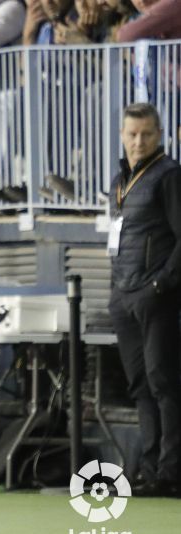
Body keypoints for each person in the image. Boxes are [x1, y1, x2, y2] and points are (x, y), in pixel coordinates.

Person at [107, 103, 181, 499]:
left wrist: (161, 286)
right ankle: (149, 468)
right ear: (122, 134)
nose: (139, 141)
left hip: (155, 297)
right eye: (133, 134)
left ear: (160, 135)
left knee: (164, 383)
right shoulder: (119, 180)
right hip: (124, 296)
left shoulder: (169, 177)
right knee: (140, 387)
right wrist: (116, 292)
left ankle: (170, 472)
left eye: (147, 134)